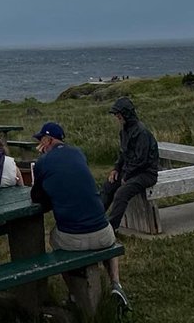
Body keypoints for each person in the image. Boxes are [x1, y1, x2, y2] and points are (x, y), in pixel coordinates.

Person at [30, 121, 128, 310]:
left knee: (53, 238)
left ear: (48, 141)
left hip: (73, 240)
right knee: (107, 229)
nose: (40, 144)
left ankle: (74, 295)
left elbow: (37, 197)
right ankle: (116, 283)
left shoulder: (43, 162)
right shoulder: (78, 153)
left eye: (41, 139)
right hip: (103, 235)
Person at [100, 96, 159, 229]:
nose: (117, 117)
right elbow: (123, 153)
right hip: (131, 171)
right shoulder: (124, 131)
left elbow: (141, 160)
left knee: (122, 193)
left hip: (146, 174)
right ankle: (94, 220)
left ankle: (111, 228)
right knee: (108, 186)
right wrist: (116, 169)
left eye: (118, 114)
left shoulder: (141, 132)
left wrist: (126, 176)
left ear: (126, 114)